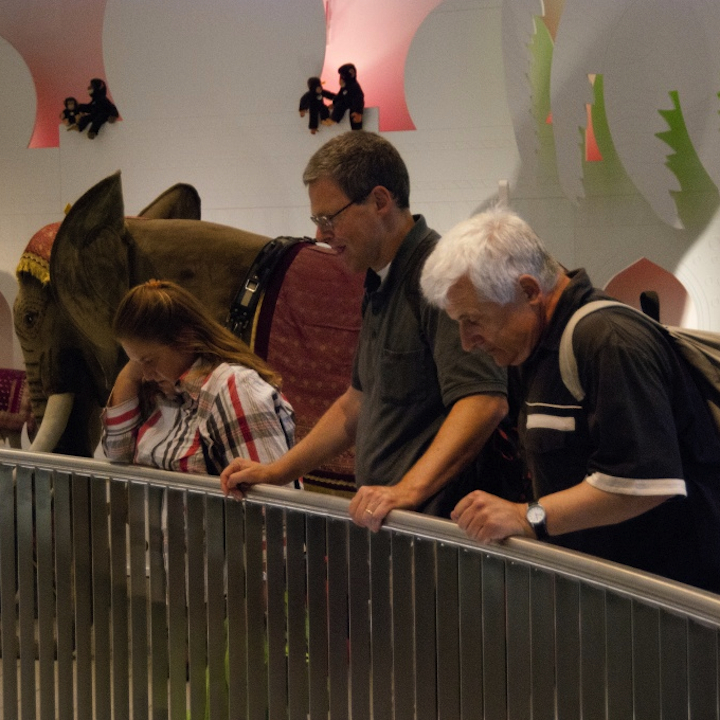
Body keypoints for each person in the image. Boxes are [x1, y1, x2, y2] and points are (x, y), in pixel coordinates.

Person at [222, 132, 517, 531]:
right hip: (398, 528)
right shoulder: (380, 281)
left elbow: (482, 401)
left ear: (380, 201)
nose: (321, 235)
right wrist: (276, 471)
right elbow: (354, 406)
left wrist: (407, 490)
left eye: (329, 219)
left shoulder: (441, 278)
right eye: (317, 222)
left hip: (439, 533)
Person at [420, 207, 720, 592]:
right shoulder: (535, 347)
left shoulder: (608, 339)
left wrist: (528, 516)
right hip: (608, 597)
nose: (466, 342)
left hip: (666, 601)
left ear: (529, 291)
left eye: (473, 319)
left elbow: (647, 481)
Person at [102, 279, 295, 476]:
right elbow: (118, 455)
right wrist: (131, 374)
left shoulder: (235, 387)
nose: (146, 375)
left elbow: (266, 491)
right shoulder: (165, 391)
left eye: (149, 360)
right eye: (136, 363)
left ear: (185, 339)